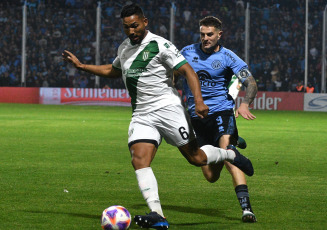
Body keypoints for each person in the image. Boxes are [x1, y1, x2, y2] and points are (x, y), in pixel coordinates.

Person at [62, 4, 254, 229]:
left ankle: (228, 154)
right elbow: (114, 70)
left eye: (135, 25)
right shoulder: (124, 48)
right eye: (126, 27)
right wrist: (82, 66)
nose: (131, 31)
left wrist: (199, 100)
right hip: (142, 114)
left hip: (168, 109)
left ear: (145, 22)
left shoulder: (160, 45)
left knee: (197, 158)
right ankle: (157, 214)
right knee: (139, 159)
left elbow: (188, 71)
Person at [179, 16, 258, 223]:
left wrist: (244, 104)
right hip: (196, 117)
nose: (205, 38)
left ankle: (246, 209)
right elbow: (172, 75)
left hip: (221, 112)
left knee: (229, 158)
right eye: (202, 34)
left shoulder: (228, 57)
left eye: (210, 34)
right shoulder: (186, 52)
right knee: (211, 176)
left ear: (219, 35)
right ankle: (233, 144)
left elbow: (250, 82)